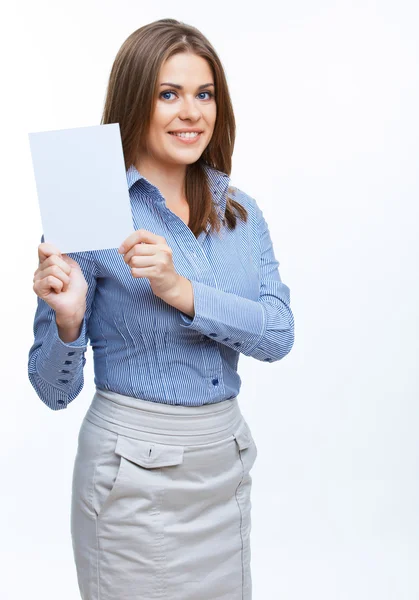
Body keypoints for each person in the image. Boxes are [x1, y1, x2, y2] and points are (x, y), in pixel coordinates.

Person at [28, 18, 295, 600]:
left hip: (223, 468)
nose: (191, 112)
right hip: (133, 478)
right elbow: (52, 390)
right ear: (134, 101)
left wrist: (183, 292)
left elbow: (277, 334)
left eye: (204, 94)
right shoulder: (89, 201)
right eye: (168, 94)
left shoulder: (239, 213)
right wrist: (69, 321)